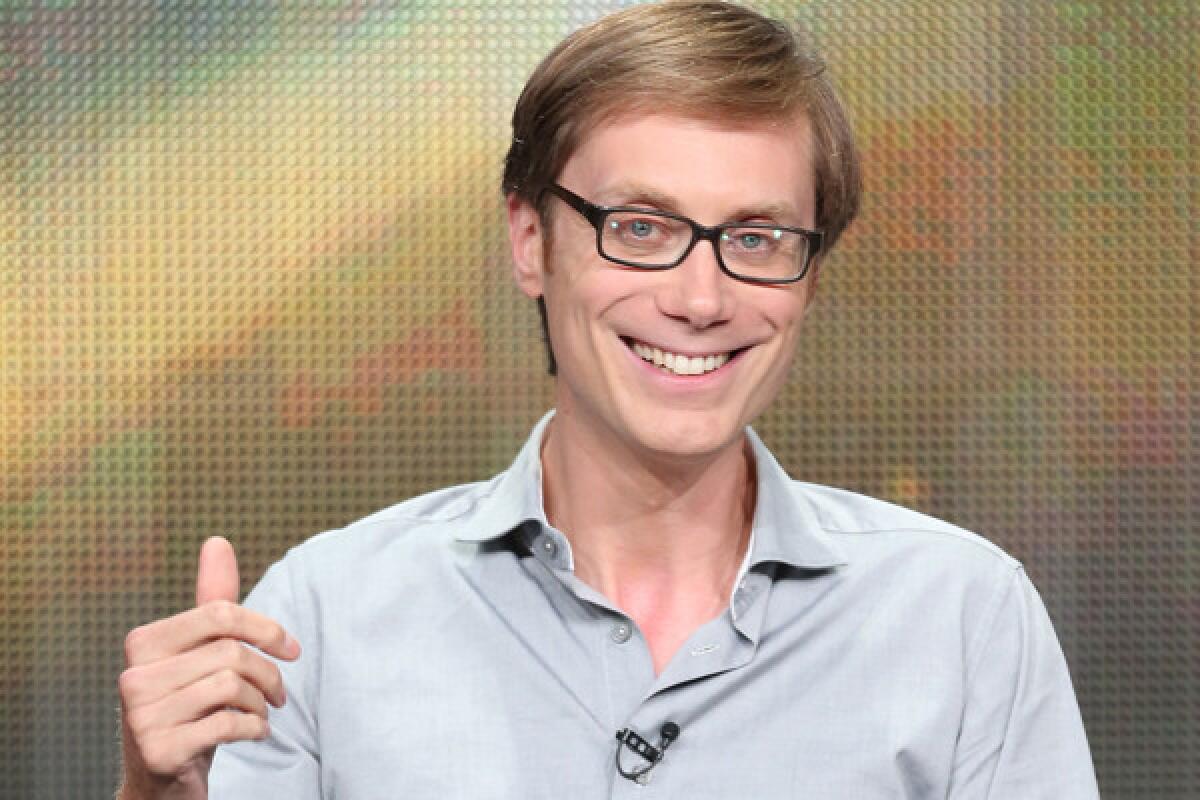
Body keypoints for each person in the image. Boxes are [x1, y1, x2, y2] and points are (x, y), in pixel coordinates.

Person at [116, 2, 1100, 797]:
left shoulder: (964, 617)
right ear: (531, 241)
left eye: (756, 238)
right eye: (640, 226)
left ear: (809, 278)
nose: (701, 298)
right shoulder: (323, 617)